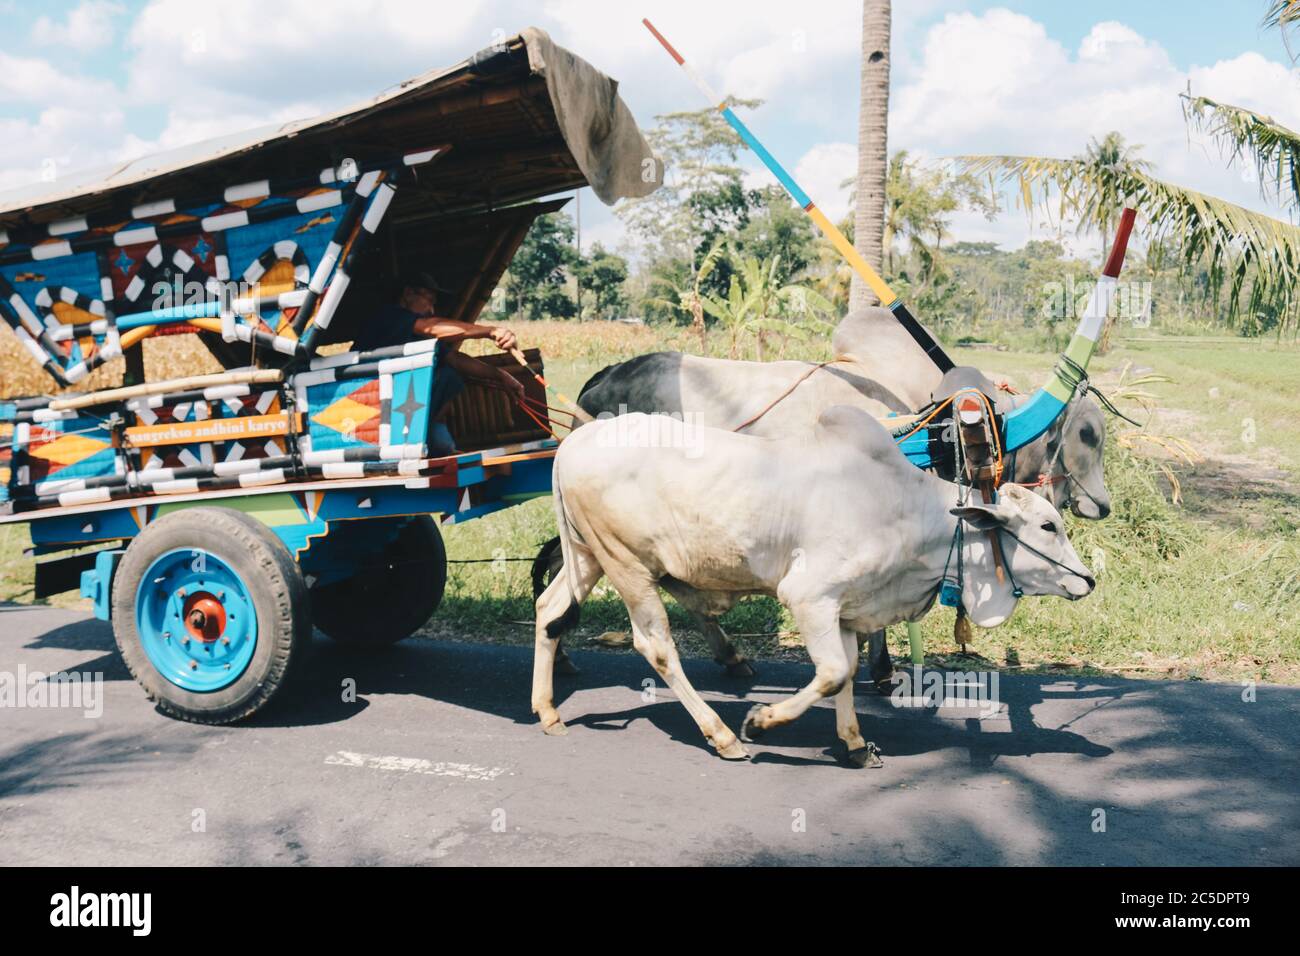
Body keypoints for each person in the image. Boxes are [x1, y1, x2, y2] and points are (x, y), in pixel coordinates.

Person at [353, 270, 525, 454]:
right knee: (444, 376)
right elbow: (430, 326)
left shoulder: (417, 338)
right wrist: (491, 331)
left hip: (408, 421)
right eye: (429, 300)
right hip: (370, 414)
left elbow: (455, 359)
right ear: (409, 293)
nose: (431, 309)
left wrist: (500, 375)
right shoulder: (390, 316)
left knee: (449, 374)